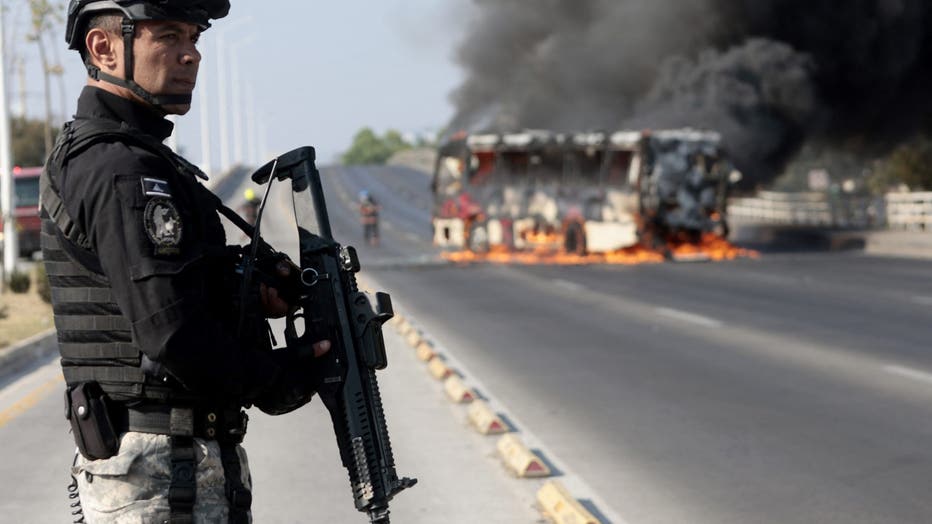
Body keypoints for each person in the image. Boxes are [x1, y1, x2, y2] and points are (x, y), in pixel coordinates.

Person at [41, 2, 329, 522]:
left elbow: (170, 292)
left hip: (176, 471)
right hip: (159, 479)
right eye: (169, 36)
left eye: (195, 38)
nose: (191, 54)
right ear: (104, 48)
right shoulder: (121, 169)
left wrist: (246, 289)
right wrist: (278, 373)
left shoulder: (143, 159)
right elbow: (171, 335)